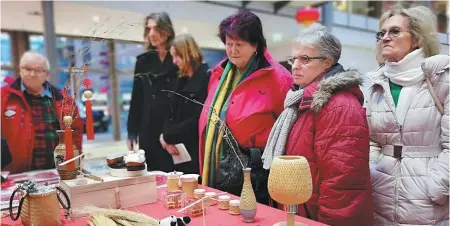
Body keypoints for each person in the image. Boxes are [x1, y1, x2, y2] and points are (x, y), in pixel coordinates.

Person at [262, 23, 373, 225]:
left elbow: (343, 183)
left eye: (305, 59)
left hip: (316, 216)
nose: (295, 65)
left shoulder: (339, 106)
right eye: (293, 58)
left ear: (327, 63)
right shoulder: (299, 100)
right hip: (301, 211)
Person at [198, 10, 293, 204]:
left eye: (239, 45)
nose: (232, 50)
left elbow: (289, 127)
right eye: (228, 44)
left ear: (255, 45)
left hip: (254, 173)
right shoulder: (219, 73)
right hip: (217, 165)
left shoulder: (278, 78)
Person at [367, 6, 449, 225]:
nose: (385, 37)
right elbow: (372, 139)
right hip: (381, 193)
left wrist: (438, 185)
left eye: (394, 31)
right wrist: (373, 170)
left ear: (417, 38)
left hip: (428, 199)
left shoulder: (440, 76)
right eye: (381, 33)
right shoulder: (376, 81)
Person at [1, 51, 83, 174]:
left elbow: (75, 135)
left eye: (38, 70)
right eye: (27, 69)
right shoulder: (4, 97)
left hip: (58, 172)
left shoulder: (64, 100)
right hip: (16, 174)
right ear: (20, 70)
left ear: (47, 74)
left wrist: (75, 163)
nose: (32, 74)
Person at [127, 12, 179, 172]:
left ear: (168, 30)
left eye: (156, 28)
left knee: (175, 177)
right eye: (148, 29)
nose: (151, 34)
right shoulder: (143, 61)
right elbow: (137, 98)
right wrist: (131, 132)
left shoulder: (178, 58)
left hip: (172, 128)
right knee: (152, 177)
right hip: (148, 128)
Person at [159, 34, 210, 174]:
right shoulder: (182, 79)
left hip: (197, 151)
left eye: (177, 56)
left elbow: (198, 119)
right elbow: (170, 113)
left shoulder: (206, 77)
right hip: (179, 151)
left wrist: (168, 137)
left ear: (188, 54)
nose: (174, 61)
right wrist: (166, 139)